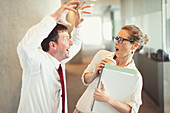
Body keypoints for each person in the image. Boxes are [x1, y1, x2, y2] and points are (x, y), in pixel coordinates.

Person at [17, 0, 91, 113]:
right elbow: (24, 47)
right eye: (66, 38)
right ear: (53, 45)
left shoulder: (58, 61)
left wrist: (78, 26)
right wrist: (53, 19)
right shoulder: (37, 62)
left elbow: (76, 44)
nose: (70, 43)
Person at [74, 25, 149, 113]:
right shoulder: (102, 55)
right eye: (116, 38)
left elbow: (132, 110)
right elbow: (85, 79)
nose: (116, 42)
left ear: (135, 46)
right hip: (82, 109)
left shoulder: (135, 76)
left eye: (121, 40)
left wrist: (107, 99)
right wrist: (94, 74)